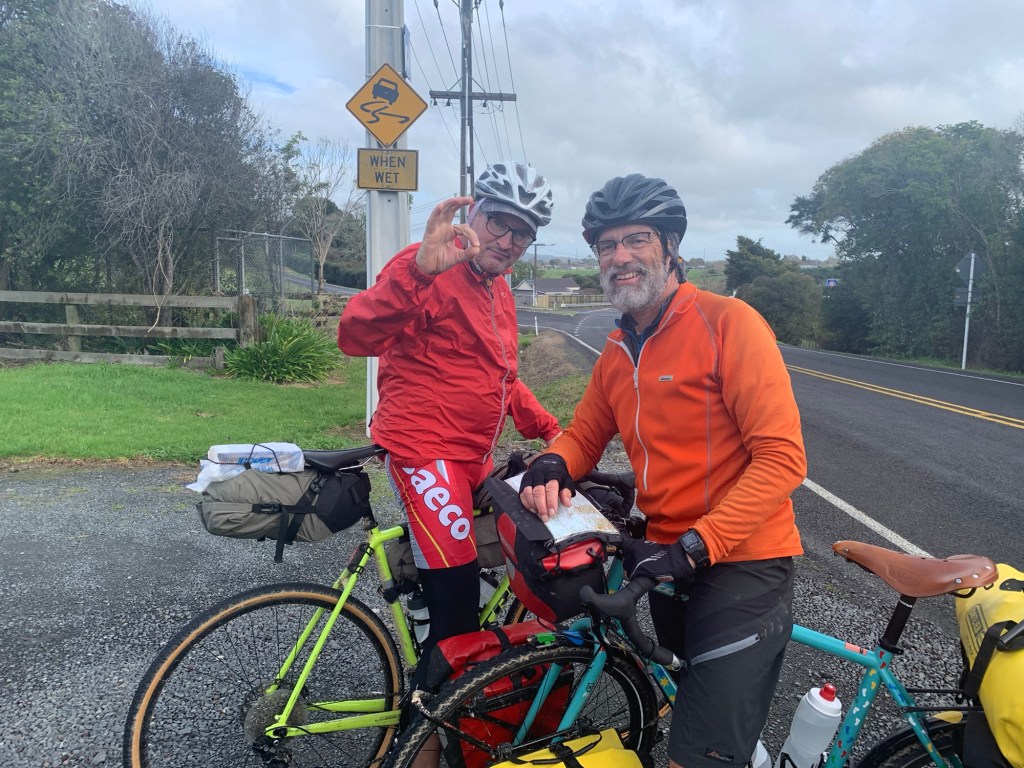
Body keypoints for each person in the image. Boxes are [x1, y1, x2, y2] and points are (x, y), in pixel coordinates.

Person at [519, 174, 807, 768]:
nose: (619, 256)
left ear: (671, 246)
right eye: (606, 245)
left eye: (637, 240)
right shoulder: (618, 350)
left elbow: (783, 458)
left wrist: (699, 545)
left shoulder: (728, 323)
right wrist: (552, 462)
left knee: (693, 758)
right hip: (667, 559)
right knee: (697, 715)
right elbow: (585, 435)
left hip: (742, 560)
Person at [337, 161, 562, 666]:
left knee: (513, 544)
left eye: (522, 234)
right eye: (499, 222)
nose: (507, 241)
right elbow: (355, 336)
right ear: (473, 213)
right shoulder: (428, 265)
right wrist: (418, 273)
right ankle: (434, 700)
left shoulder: (498, 288)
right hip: (425, 450)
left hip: (472, 455)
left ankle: (428, 602)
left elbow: (502, 377)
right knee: (458, 606)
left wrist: (554, 432)